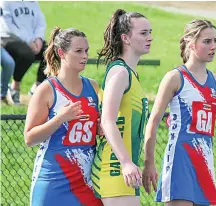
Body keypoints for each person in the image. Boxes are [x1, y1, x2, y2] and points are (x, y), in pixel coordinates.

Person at [142, 19, 216, 206]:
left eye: (215, 40)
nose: (213, 46)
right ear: (190, 42)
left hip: (205, 164)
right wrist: (149, 162)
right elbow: (153, 121)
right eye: (207, 41)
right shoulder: (175, 78)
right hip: (180, 161)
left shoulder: (215, 81)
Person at [24, 27, 103, 206]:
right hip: (52, 180)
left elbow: (92, 128)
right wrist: (60, 118)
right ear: (62, 53)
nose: (85, 56)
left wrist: (99, 128)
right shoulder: (47, 89)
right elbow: (29, 138)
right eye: (78, 51)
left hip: (86, 182)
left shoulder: (93, 87)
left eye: (86, 51)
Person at [91, 9, 152, 206]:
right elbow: (107, 120)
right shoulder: (120, 72)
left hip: (126, 170)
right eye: (143, 33)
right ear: (125, 38)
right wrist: (126, 162)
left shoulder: (132, 75)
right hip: (115, 168)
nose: (149, 37)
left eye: (150, 32)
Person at [0, 1, 48, 104]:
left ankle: (37, 88)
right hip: (8, 39)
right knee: (26, 55)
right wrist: (28, 41)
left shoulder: (33, 2)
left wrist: (38, 38)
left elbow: (40, 23)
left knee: (50, 52)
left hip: (32, 40)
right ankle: (14, 87)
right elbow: (9, 27)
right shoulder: (5, 2)